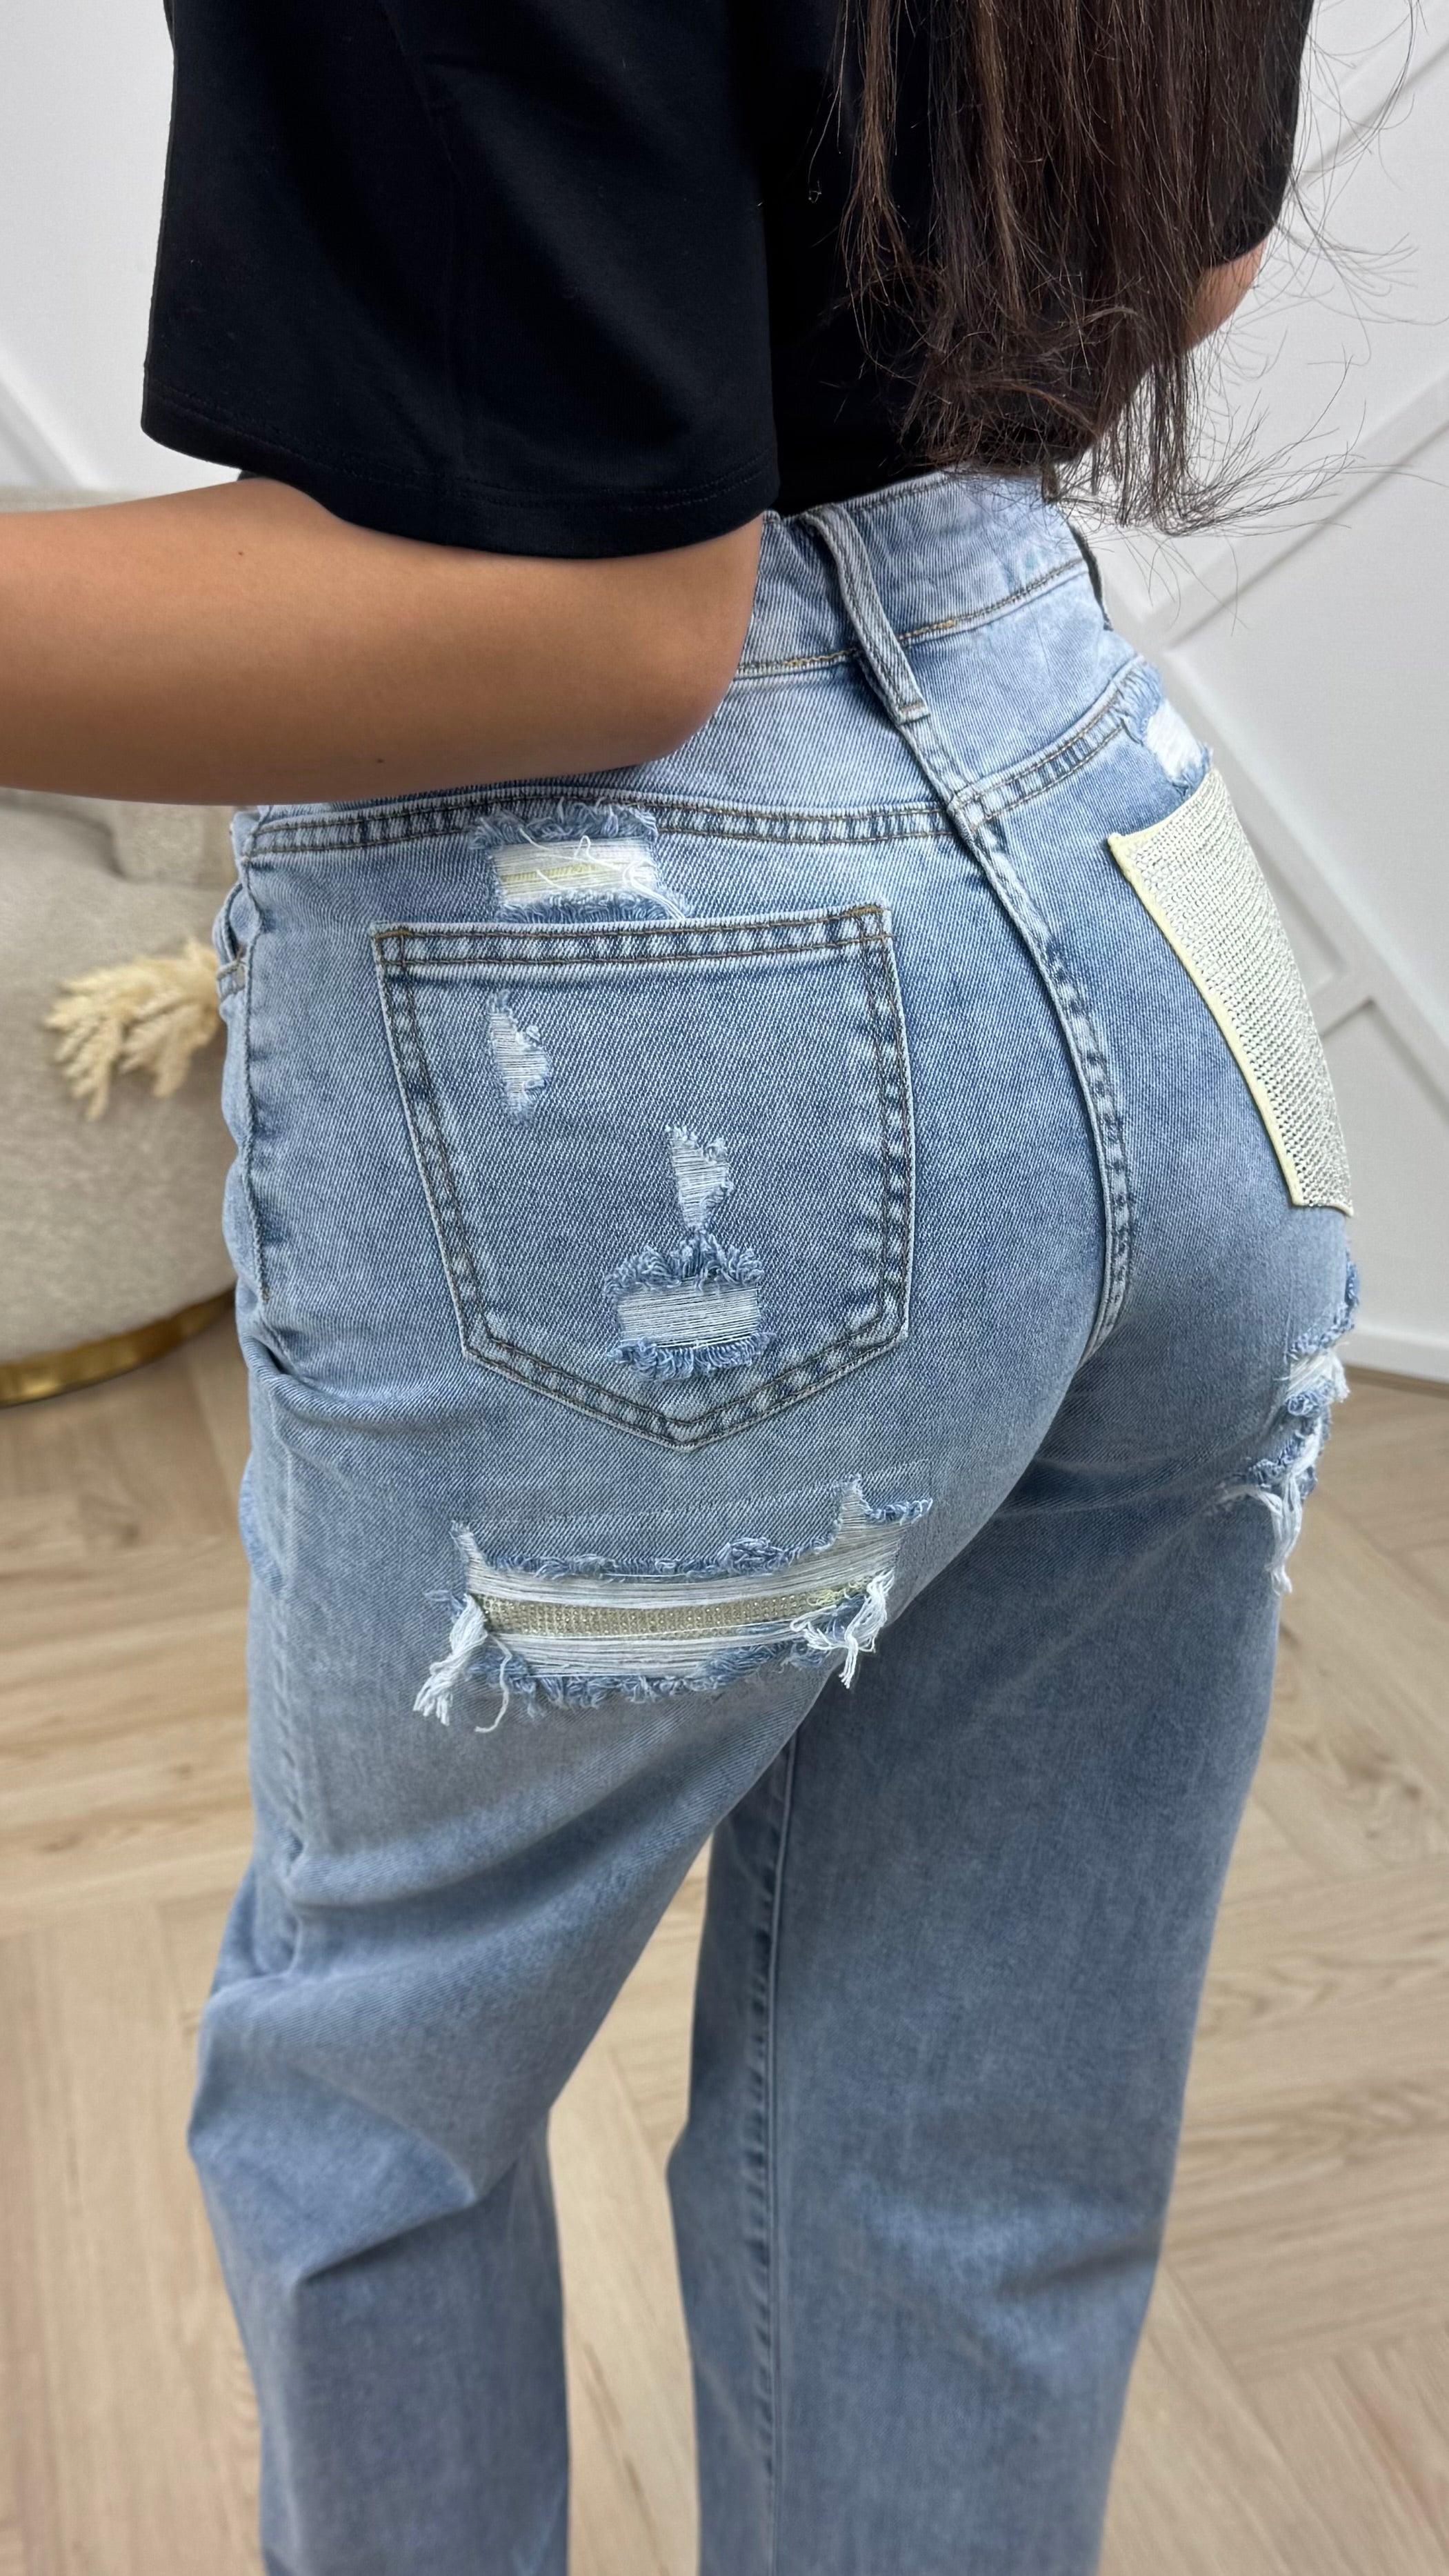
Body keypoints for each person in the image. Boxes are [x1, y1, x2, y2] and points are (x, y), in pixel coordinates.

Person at [4, 0, 1355, 2567]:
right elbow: (1179, 271)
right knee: (968, 2154)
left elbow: (592, 624)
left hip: (663, 960)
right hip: (1129, 863)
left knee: (378, 2104)